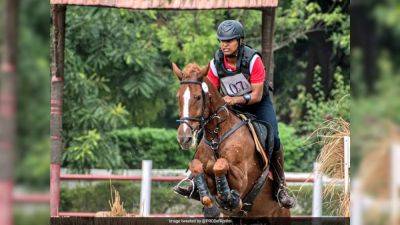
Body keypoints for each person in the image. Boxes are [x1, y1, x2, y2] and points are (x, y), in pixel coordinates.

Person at [174, 20, 295, 209]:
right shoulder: (215, 64)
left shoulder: (253, 59)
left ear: (239, 41)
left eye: (229, 41)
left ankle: (280, 187)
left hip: (257, 104)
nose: (224, 45)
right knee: (202, 130)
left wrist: (234, 99)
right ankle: (192, 179)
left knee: (275, 137)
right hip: (229, 105)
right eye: (222, 41)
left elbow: (256, 94)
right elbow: (212, 92)